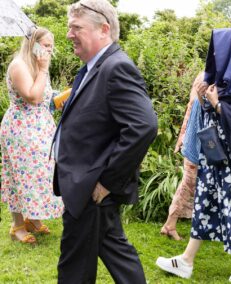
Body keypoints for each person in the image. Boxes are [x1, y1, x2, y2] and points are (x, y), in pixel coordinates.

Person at [156, 28, 231, 284]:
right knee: (204, 205)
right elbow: (209, 115)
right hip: (214, 158)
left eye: (220, 50)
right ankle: (186, 261)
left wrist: (219, 104)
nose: (215, 55)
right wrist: (203, 98)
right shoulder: (217, 79)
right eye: (214, 50)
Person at [52, 0, 157, 283]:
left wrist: (108, 182)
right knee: (113, 251)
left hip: (91, 186)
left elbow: (144, 125)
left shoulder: (116, 67)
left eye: (76, 27)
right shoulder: (91, 68)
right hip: (85, 186)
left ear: (104, 29)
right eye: (68, 27)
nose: (69, 34)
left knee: (73, 267)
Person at [0, 27, 64, 245]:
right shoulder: (19, 65)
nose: (49, 50)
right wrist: (44, 69)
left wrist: (61, 97)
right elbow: (33, 97)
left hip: (40, 126)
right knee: (20, 174)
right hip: (21, 129)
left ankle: (33, 218)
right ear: (33, 43)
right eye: (46, 45)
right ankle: (17, 224)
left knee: (40, 173)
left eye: (51, 46)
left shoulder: (36, 65)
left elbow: (45, 98)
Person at [160, 72, 204, 241]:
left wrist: (181, 138)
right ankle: (170, 224)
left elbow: (189, 108)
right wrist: (182, 139)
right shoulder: (204, 78)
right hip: (196, 143)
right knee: (188, 184)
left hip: (194, 141)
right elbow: (192, 108)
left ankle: (172, 224)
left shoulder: (203, 76)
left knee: (190, 184)